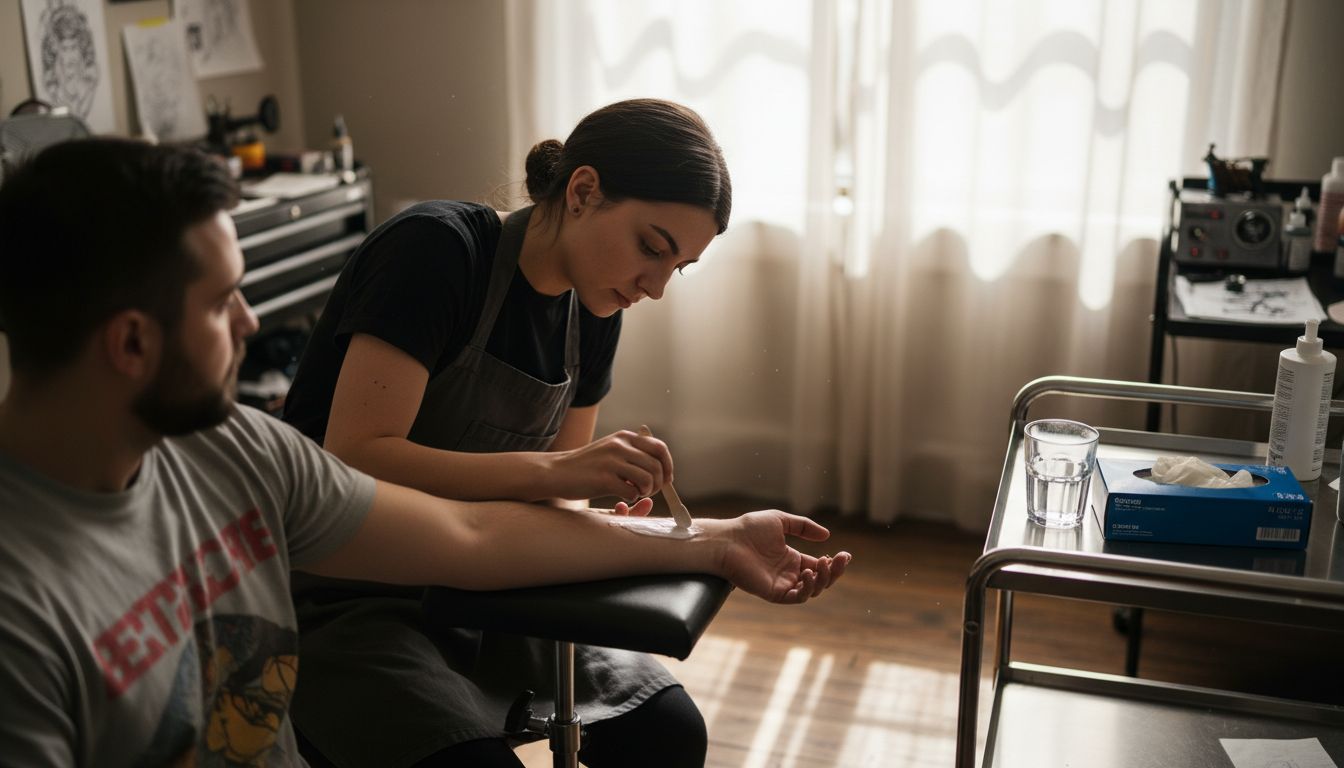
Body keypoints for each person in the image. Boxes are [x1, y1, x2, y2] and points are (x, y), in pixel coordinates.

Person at [0, 137, 851, 766]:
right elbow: (380, 461)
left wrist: (716, 538)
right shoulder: (27, 620)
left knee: (666, 730)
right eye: (224, 302)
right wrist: (557, 475)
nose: (255, 327)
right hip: (361, 604)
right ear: (131, 344)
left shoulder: (241, 453)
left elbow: (478, 537)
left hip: (458, 591)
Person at [279, 98, 735, 767]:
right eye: (651, 248)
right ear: (583, 191)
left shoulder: (596, 311)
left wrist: (588, 511)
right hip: (349, 593)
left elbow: (552, 502)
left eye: (677, 268)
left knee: (666, 730)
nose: (657, 288)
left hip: (483, 587)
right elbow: (355, 461)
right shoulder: (437, 251)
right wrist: (559, 474)